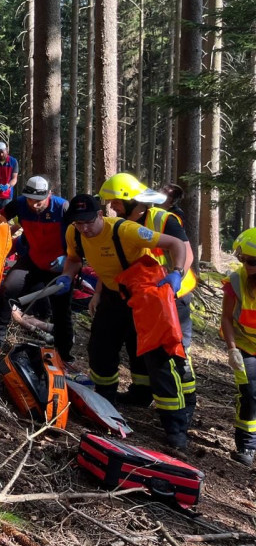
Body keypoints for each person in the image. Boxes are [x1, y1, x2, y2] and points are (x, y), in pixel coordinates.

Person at [59, 193, 193, 449]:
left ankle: (176, 426)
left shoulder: (127, 230)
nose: (84, 228)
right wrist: (68, 276)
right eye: (79, 223)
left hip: (144, 293)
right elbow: (75, 259)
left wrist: (177, 274)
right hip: (112, 293)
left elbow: (176, 244)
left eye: (88, 221)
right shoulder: (74, 233)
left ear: (100, 214)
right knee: (100, 349)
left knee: (158, 356)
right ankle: (105, 403)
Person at [98, 173, 198, 415]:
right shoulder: (120, 226)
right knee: (138, 344)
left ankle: (186, 403)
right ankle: (141, 393)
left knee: (175, 350)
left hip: (174, 296)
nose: (112, 206)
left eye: (117, 202)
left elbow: (187, 254)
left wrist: (175, 277)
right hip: (142, 297)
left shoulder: (164, 220)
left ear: (134, 202)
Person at [0, 176, 73, 361]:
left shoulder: (63, 208)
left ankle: (63, 354)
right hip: (33, 259)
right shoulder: (20, 204)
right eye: (31, 200)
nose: (35, 205)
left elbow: (81, 236)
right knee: (7, 289)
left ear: (49, 194)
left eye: (39, 201)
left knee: (61, 310)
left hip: (60, 266)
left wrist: (70, 257)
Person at [221, 228, 256, 466]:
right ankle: (246, 445)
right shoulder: (235, 280)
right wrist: (232, 348)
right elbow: (226, 318)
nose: (246, 266)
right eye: (242, 260)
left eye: (251, 262)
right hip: (245, 346)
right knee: (250, 394)